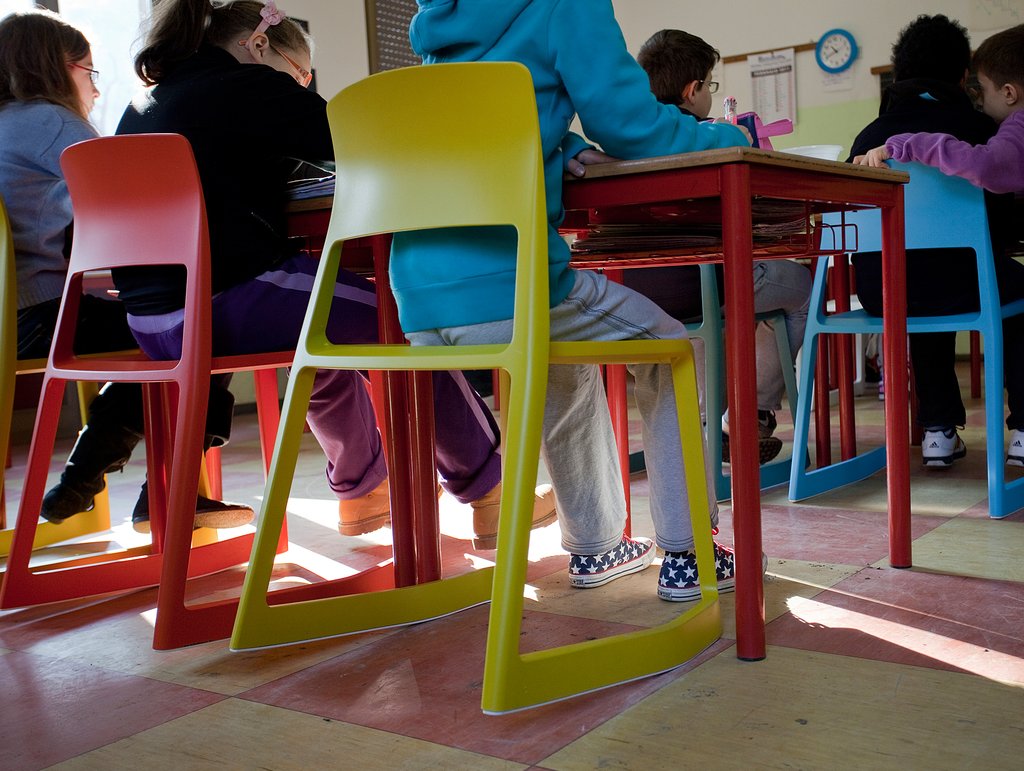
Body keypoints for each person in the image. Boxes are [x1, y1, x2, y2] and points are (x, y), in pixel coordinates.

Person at [113, 0, 555, 549]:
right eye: (299, 76)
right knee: (400, 321)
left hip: (153, 322)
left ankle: (364, 489)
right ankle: (492, 491)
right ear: (258, 45)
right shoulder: (247, 85)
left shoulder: (146, 102)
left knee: (321, 336)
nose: (300, 86)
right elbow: (365, 142)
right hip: (229, 298)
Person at [393, 0, 754, 601]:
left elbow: (480, 130)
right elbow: (629, 123)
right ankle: (690, 552)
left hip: (418, 298)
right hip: (509, 281)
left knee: (563, 357)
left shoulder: (437, 30)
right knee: (673, 347)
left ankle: (596, 546)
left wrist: (559, 143)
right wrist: (724, 134)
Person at [0, 9, 250, 534]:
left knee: (170, 328)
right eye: (89, 72)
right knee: (205, 327)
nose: (94, 89)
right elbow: (134, 194)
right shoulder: (50, 122)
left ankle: (87, 478)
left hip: (14, 321)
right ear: (56, 67)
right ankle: (161, 492)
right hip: (40, 319)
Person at [625, 28, 812, 464]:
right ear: (691, 91)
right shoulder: (709, 139)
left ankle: (708, 421)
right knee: (800, 286)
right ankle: (750, 413)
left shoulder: (625, 140)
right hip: (703, 284)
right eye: (709, 85)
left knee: (701, 309)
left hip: (637, 292)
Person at [848, 15, 1023, 468]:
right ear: (964, 78)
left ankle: (937, 431)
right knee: (1000, 287)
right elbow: (1005, 225)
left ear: (899, 74)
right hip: (966, 281)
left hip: (880, 292)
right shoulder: (984, 129)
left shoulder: (868, 137)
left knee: (914, 280)